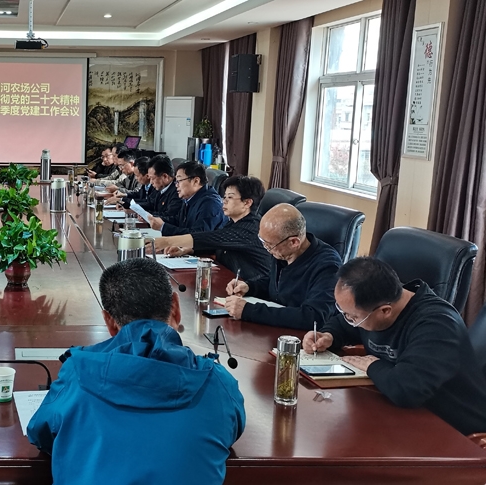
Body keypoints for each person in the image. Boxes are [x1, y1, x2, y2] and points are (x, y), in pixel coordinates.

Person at [26, 258, 245, 484]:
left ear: (109, 322)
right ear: (176, 308)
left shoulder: (77, 372)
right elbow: (230, 430)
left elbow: (40, 433)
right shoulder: (218, 384)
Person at [304, 257, 486, 436]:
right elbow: (345, 324)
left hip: (456, 432)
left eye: (353, 317)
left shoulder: (437, 326)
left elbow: (407, 389)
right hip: (400, 413)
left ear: (385, 311)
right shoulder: (376, 302)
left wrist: (371, 365)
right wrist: (328, 335)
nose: (348, 319)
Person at [224, 203, 341, 330]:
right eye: (263, 242)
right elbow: (276, 283)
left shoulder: (328, 266)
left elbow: (313, 317)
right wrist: (250, 287)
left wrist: (249, 311)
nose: (267, 249)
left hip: (301, 336)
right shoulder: (283, 251)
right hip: (276, 328)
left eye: (269, 245)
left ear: (294, 242)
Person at [156, 175, 273, 287]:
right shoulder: (233, 222)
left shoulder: (251, 228)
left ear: (247, 203)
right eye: (224, 197)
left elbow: (211, 238)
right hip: (232, 283)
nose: (224, 201)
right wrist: (188, 250)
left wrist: (166, 241)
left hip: (254, 290)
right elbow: (219, 244)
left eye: (230, 197)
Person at [148, 160, 226, 236]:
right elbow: (179, 220)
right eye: (176, 181)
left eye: (179, 181)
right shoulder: (190, 198)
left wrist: (163, 227)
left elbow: (197, 236)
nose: (176, 185)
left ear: (196, 181)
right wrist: (157, 219)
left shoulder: (210, 204)